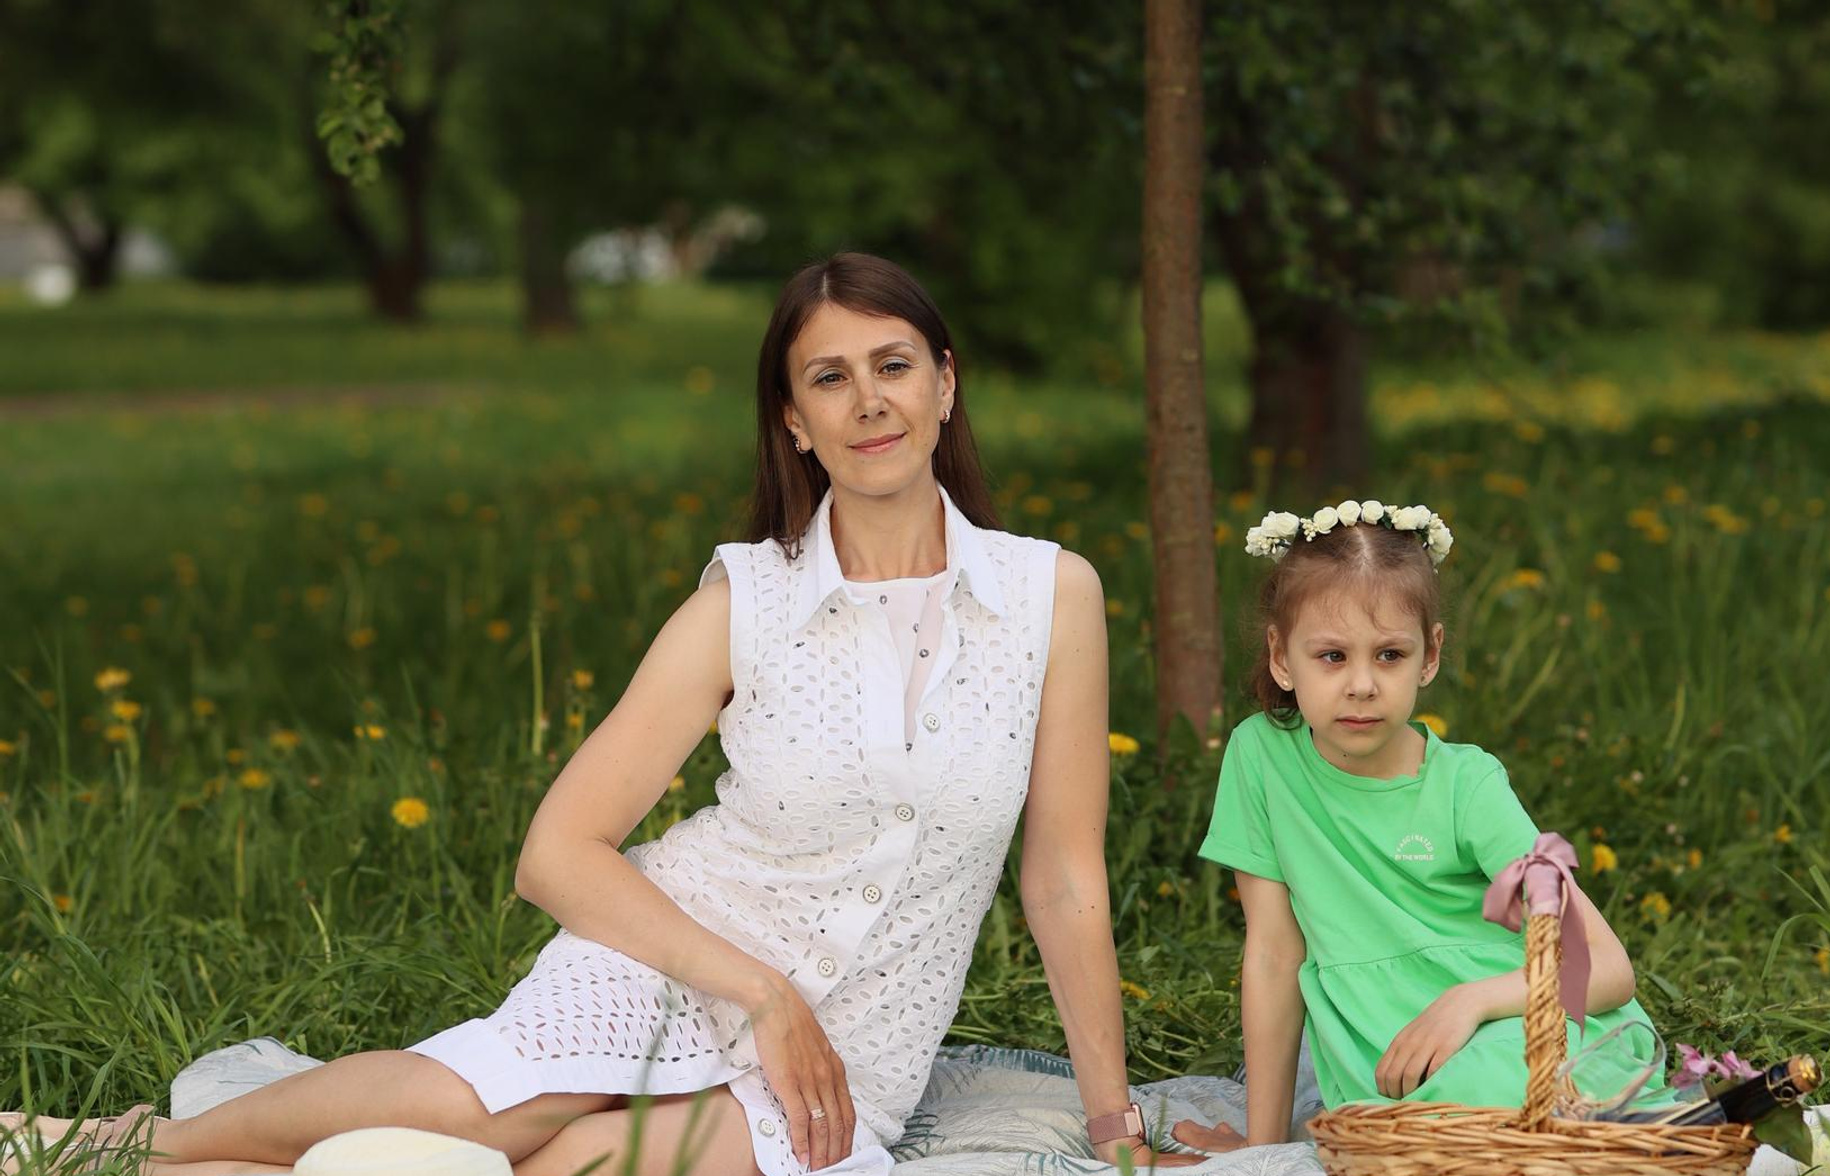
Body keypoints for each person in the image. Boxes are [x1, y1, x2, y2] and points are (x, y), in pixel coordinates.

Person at [5, 254, 1192, 1176]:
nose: (869, 402)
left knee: (570, 1167)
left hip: (852, 1056)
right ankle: (128, 1148)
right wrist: (761, 991)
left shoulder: (1051, 595)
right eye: (829, 378)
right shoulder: (747, 600)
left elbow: (1063, 878)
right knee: (484, 1111)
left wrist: (1112, 1124)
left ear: (945, 382)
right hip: (674, 959)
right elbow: (557, 853)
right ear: (793, 419)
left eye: (893, 365)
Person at [1171, 498, 1665, 1154]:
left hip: (1519, 1025)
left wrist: (1470, 1001)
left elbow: (1605, 967)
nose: (1362, 685)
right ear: (1281, 657)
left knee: (1488, 1101)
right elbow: (1273, 954)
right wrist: (1262, 1147)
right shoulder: (1260, 758)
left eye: (1389, 655)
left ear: (1429, 656)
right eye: (1331, 656)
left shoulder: (1467, 786)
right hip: (1389, 1058)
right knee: (1407, 1132)